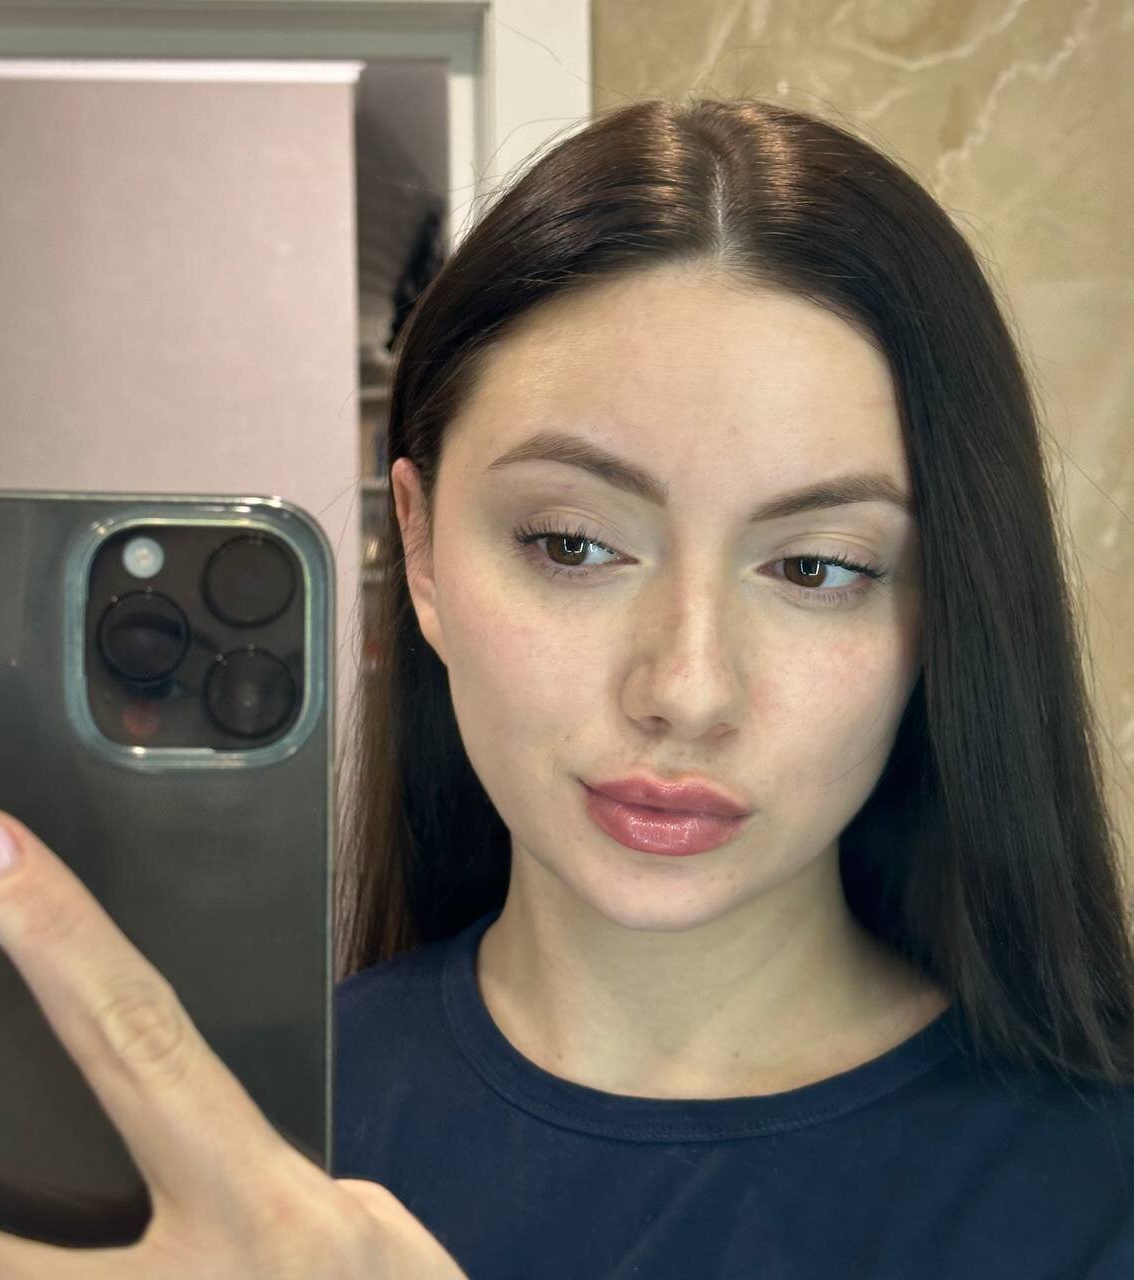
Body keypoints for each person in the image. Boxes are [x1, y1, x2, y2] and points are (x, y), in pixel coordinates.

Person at [331, 96, 1134, 1277]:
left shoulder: (1096, 1189)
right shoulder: (256, 1135)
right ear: (421, 549)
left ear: (946, 610)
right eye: (570, 543)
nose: (688, 688)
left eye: (815, 567)